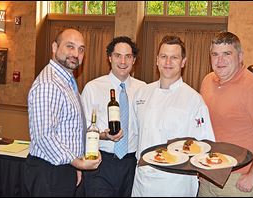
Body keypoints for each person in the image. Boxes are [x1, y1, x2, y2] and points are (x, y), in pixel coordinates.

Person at [131, 35, 215, 197]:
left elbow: (205, 143)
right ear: (157, 60)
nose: (168, 62)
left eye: (174, 57)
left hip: (176, 181)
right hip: (143, 177)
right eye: (163, 57)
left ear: (183, 62)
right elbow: (135, 134)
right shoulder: (142, 93)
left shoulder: (194, 100)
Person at [199, 32, 253, 197]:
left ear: (240, 56)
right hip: (210, 172)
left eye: (227, 54)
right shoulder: (207, 81)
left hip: (240, 178)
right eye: (215, 54)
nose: (220, 60)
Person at [25, 28, 102, 197]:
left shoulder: (66, 81)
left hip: (62, 168)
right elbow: (44, 136)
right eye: (70, 46)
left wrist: (74, 164)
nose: (76, 53)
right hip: (49, 173)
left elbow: (69, 130)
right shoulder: (49, 84)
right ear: (54, 47)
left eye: (81, 49)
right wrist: (76, 162)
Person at [81, 36, 146, 197]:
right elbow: (81, 128)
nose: (123, 61)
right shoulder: (93, 88)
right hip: (101, 162)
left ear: (134, 60)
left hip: (132, 164)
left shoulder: (144, 89)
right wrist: (104, 135)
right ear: (109, 58)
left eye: (128, 56)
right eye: (118, 55)